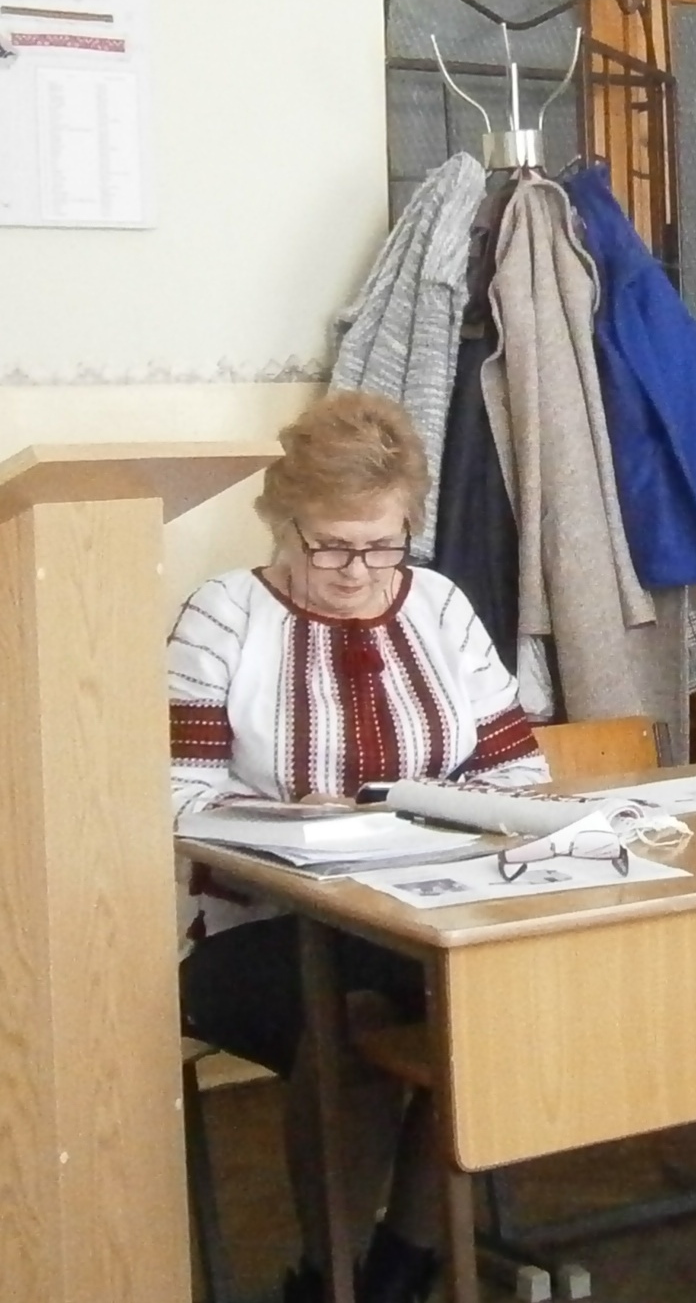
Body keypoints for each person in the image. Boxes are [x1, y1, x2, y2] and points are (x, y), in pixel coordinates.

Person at [168, 390, 548, 1303]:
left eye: (382, 546)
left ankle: (400, 1267)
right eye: (330, 546)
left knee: (486, 1005)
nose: (356, 571)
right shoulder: (224, 615)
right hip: (259, 929)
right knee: (356, 1022)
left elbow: (522, 775)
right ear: (283, 523)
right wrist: (296, 819)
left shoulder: (441, 605)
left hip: (426, 914)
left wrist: (443, 811)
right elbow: (173, 798)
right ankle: (326, 1275)